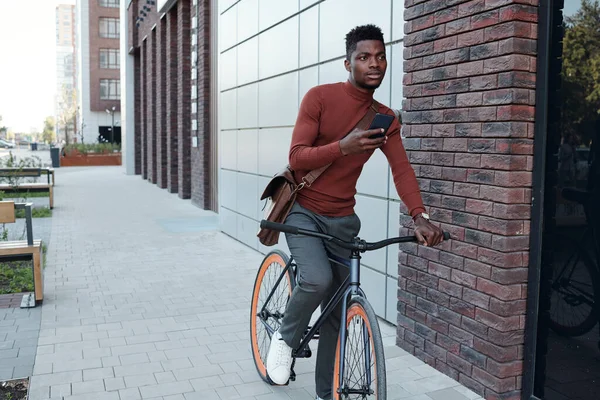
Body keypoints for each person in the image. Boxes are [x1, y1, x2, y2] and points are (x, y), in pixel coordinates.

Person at [265, 24, 444, 400]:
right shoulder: (320, 98)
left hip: (343, 220)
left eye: (380, 57)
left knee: (336, 312)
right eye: (364, 57)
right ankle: (284, 338)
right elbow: (296, 158)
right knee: (315, 279)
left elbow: (402, 169)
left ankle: (325, 393)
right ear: (348, 63)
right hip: (303, 211)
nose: (374, 64)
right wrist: (342, 147)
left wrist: (419, 215)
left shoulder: (385, 119)